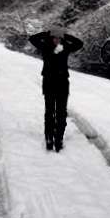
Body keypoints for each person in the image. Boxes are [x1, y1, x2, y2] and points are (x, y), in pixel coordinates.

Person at [29, 24, 83, 152]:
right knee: (49, 111)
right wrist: (47, 33)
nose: (57, 39)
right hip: (48, 82)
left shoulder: (65, 47)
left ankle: (58, 138)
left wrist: (65, 35)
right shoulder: (45, 46)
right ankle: (49, 138)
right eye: (54, 37)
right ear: (51, 37)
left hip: (62, 83)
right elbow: (32, 39)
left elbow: (79, 43)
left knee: (61, 112)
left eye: (59, 37)